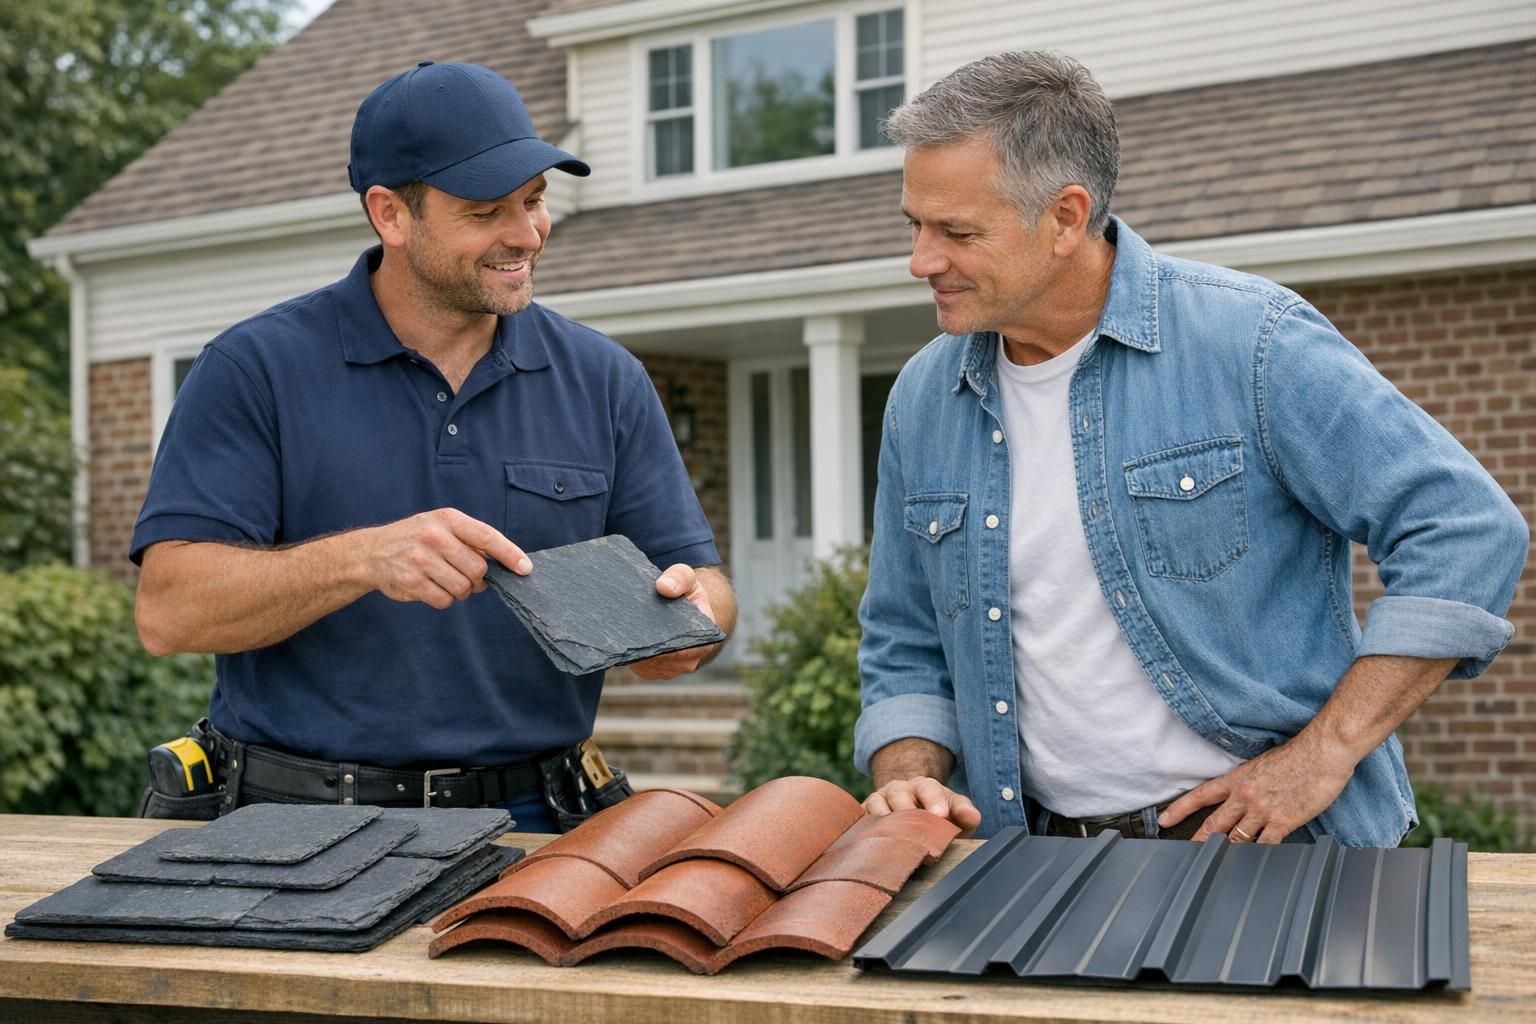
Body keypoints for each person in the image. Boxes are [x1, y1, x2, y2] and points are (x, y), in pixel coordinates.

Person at [855, 50, 1527, 846]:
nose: (921, 260)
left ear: (1066, 217)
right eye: (916, 225)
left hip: (1267, 851)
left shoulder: (1251, 342)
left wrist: (1324, 754)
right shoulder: (923, 400)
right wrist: (910, 778)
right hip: (1029, 853)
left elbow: (1466, 530)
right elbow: (906, 637)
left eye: (957, 232)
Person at [131, 61, 737, 833]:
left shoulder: (605, 378)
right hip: (291, 823)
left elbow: (705, 584)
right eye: (487, 210)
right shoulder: (254, 370)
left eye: (536, 200)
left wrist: (694, 618)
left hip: (542, 825)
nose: (526, 235)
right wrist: (362, 560)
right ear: (390, 213)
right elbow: (169, 611)